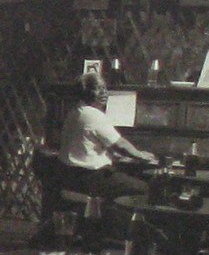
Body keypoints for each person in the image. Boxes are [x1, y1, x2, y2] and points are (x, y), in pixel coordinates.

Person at [57, 70, 156, 199]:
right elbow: (121, 145)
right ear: (85, 92)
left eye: (104, 88)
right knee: (144, 188)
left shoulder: (75, 112)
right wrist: (141, 155)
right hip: (90, 177)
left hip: (71, 175)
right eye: (98, 89)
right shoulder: (93, 114)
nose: (104, 93)